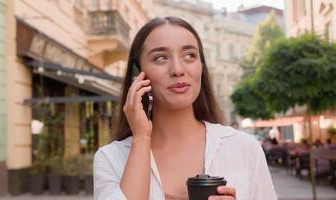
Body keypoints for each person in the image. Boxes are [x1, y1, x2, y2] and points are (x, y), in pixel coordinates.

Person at [94, 16, 277, 200]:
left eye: (190, 55)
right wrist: (141, 138)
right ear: (137, 75)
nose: (178, 69)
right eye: (160, 58)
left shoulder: (244, 148)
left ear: (201, 67)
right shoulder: (110, 159)